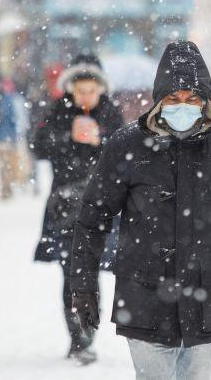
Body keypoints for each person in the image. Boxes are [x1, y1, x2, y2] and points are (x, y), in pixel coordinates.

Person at [69, 41, 211, 379]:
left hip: (206, 294)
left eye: (192, 99)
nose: (183, 106)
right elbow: (93, 218)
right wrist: (82, 286)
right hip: (144, 297)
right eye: (173, 99)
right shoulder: (127, 146)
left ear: (205, 101)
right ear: (159, 101)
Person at [32, 54, 124, 365]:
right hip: (64, 205)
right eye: (80, 90)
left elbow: (127, 153)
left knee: (91, 272)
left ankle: (87, 336)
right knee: (70, 273)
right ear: (70, 87)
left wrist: (101, 140)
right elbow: (38, 145)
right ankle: (76, 336)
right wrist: (67, 138)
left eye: (91, 90)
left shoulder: (111, 114)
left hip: (101, 207)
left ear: (101, 88)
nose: (85, 96)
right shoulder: (58, 111)